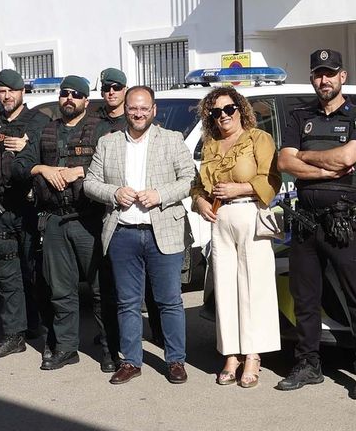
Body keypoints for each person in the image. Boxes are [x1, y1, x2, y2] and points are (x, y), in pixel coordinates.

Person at [275, 49, 356, 399]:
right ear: (312, 78)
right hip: (306, 221)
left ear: (342, 76)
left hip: (344, 221)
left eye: (330, 73)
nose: (325, 80)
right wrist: (325, 167)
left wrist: (305, 156)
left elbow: (349, 156)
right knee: (305, 298)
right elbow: (284, 162)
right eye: (319, 74)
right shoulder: (300, 116)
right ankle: (309, 364)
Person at [83, 85, 194, 384]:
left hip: (164, 231)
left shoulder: (172, 139)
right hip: (123, 233)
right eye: (133, 108)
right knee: (127, 302)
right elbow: (90, 183)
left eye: (145, 108)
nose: (139, 113)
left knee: (169, 301)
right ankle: (131, 361)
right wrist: (114, 192)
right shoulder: (108, 143)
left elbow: (189, 180)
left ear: (154, 110)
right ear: (125, 109)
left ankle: (175, 360)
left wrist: (160, 194)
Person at [21, 74, 118, 370]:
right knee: (60, 290)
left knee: (102, 290)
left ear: (86, 101)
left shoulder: (101, 130)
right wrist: (43, 169)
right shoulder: (45, 130)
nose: (69, 99)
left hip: (90, 220)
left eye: (76, 95)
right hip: (54, 220)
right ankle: (65, 348)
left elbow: (115, 167)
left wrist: (81, 171)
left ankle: (110, 349)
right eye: (65, 94)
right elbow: (20, 166)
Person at [190, 85, 279, 388]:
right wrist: (200, 202)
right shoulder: (210, 145)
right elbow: (198, 184)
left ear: (241, 110)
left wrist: (239, 188)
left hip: (249, 213)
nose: (223, 116)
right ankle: (231, 355)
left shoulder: (259, 139)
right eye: (216, 112)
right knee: (225, 289)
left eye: (229, 109)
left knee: (254, 287)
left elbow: (272, 178)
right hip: (219, 219)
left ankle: (253, 355)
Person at [0, 68, 47, 359]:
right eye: (1, 91)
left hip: (28, 206)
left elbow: (49, 160)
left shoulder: (39, 122)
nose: (6, 96)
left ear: (22, 92)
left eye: (11, 91)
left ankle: (37, 326)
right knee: (6, 273)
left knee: (35, 271)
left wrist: (29, 148)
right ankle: (14, 335)